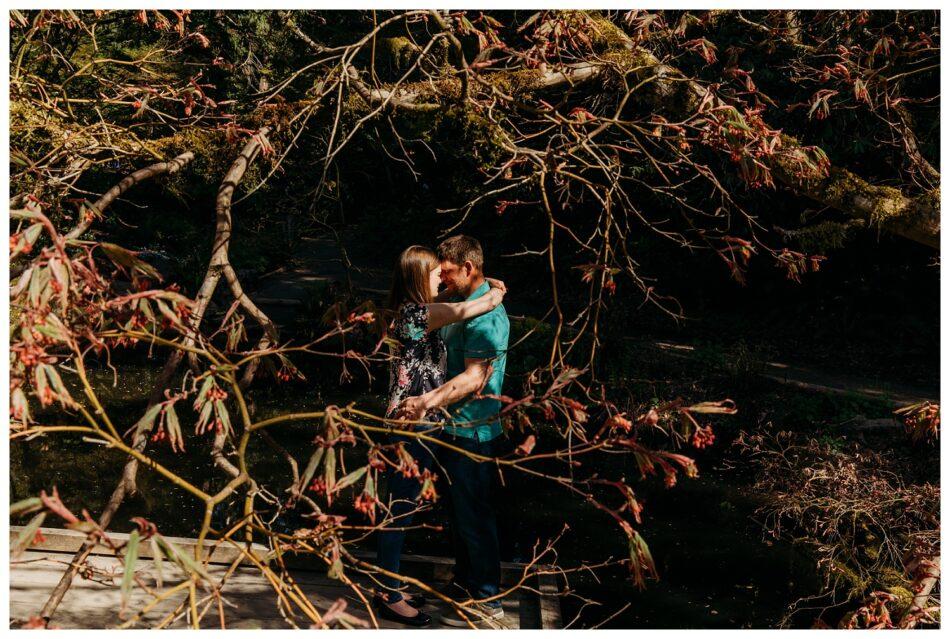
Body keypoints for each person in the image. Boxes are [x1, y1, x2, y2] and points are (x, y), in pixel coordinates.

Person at [374, 244, 506, 627]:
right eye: (437, 274)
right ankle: (388, 594)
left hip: (426, 423)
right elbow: (470, 307)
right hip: (410, 423)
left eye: (447, 272)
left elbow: (459, 296)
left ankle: (392, 584)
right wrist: (495, 293)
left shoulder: (421, 309)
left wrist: (486, 282)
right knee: (400, 508)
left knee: (409, 505)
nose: (443, 279)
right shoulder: (416, 315)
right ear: (420, 279)